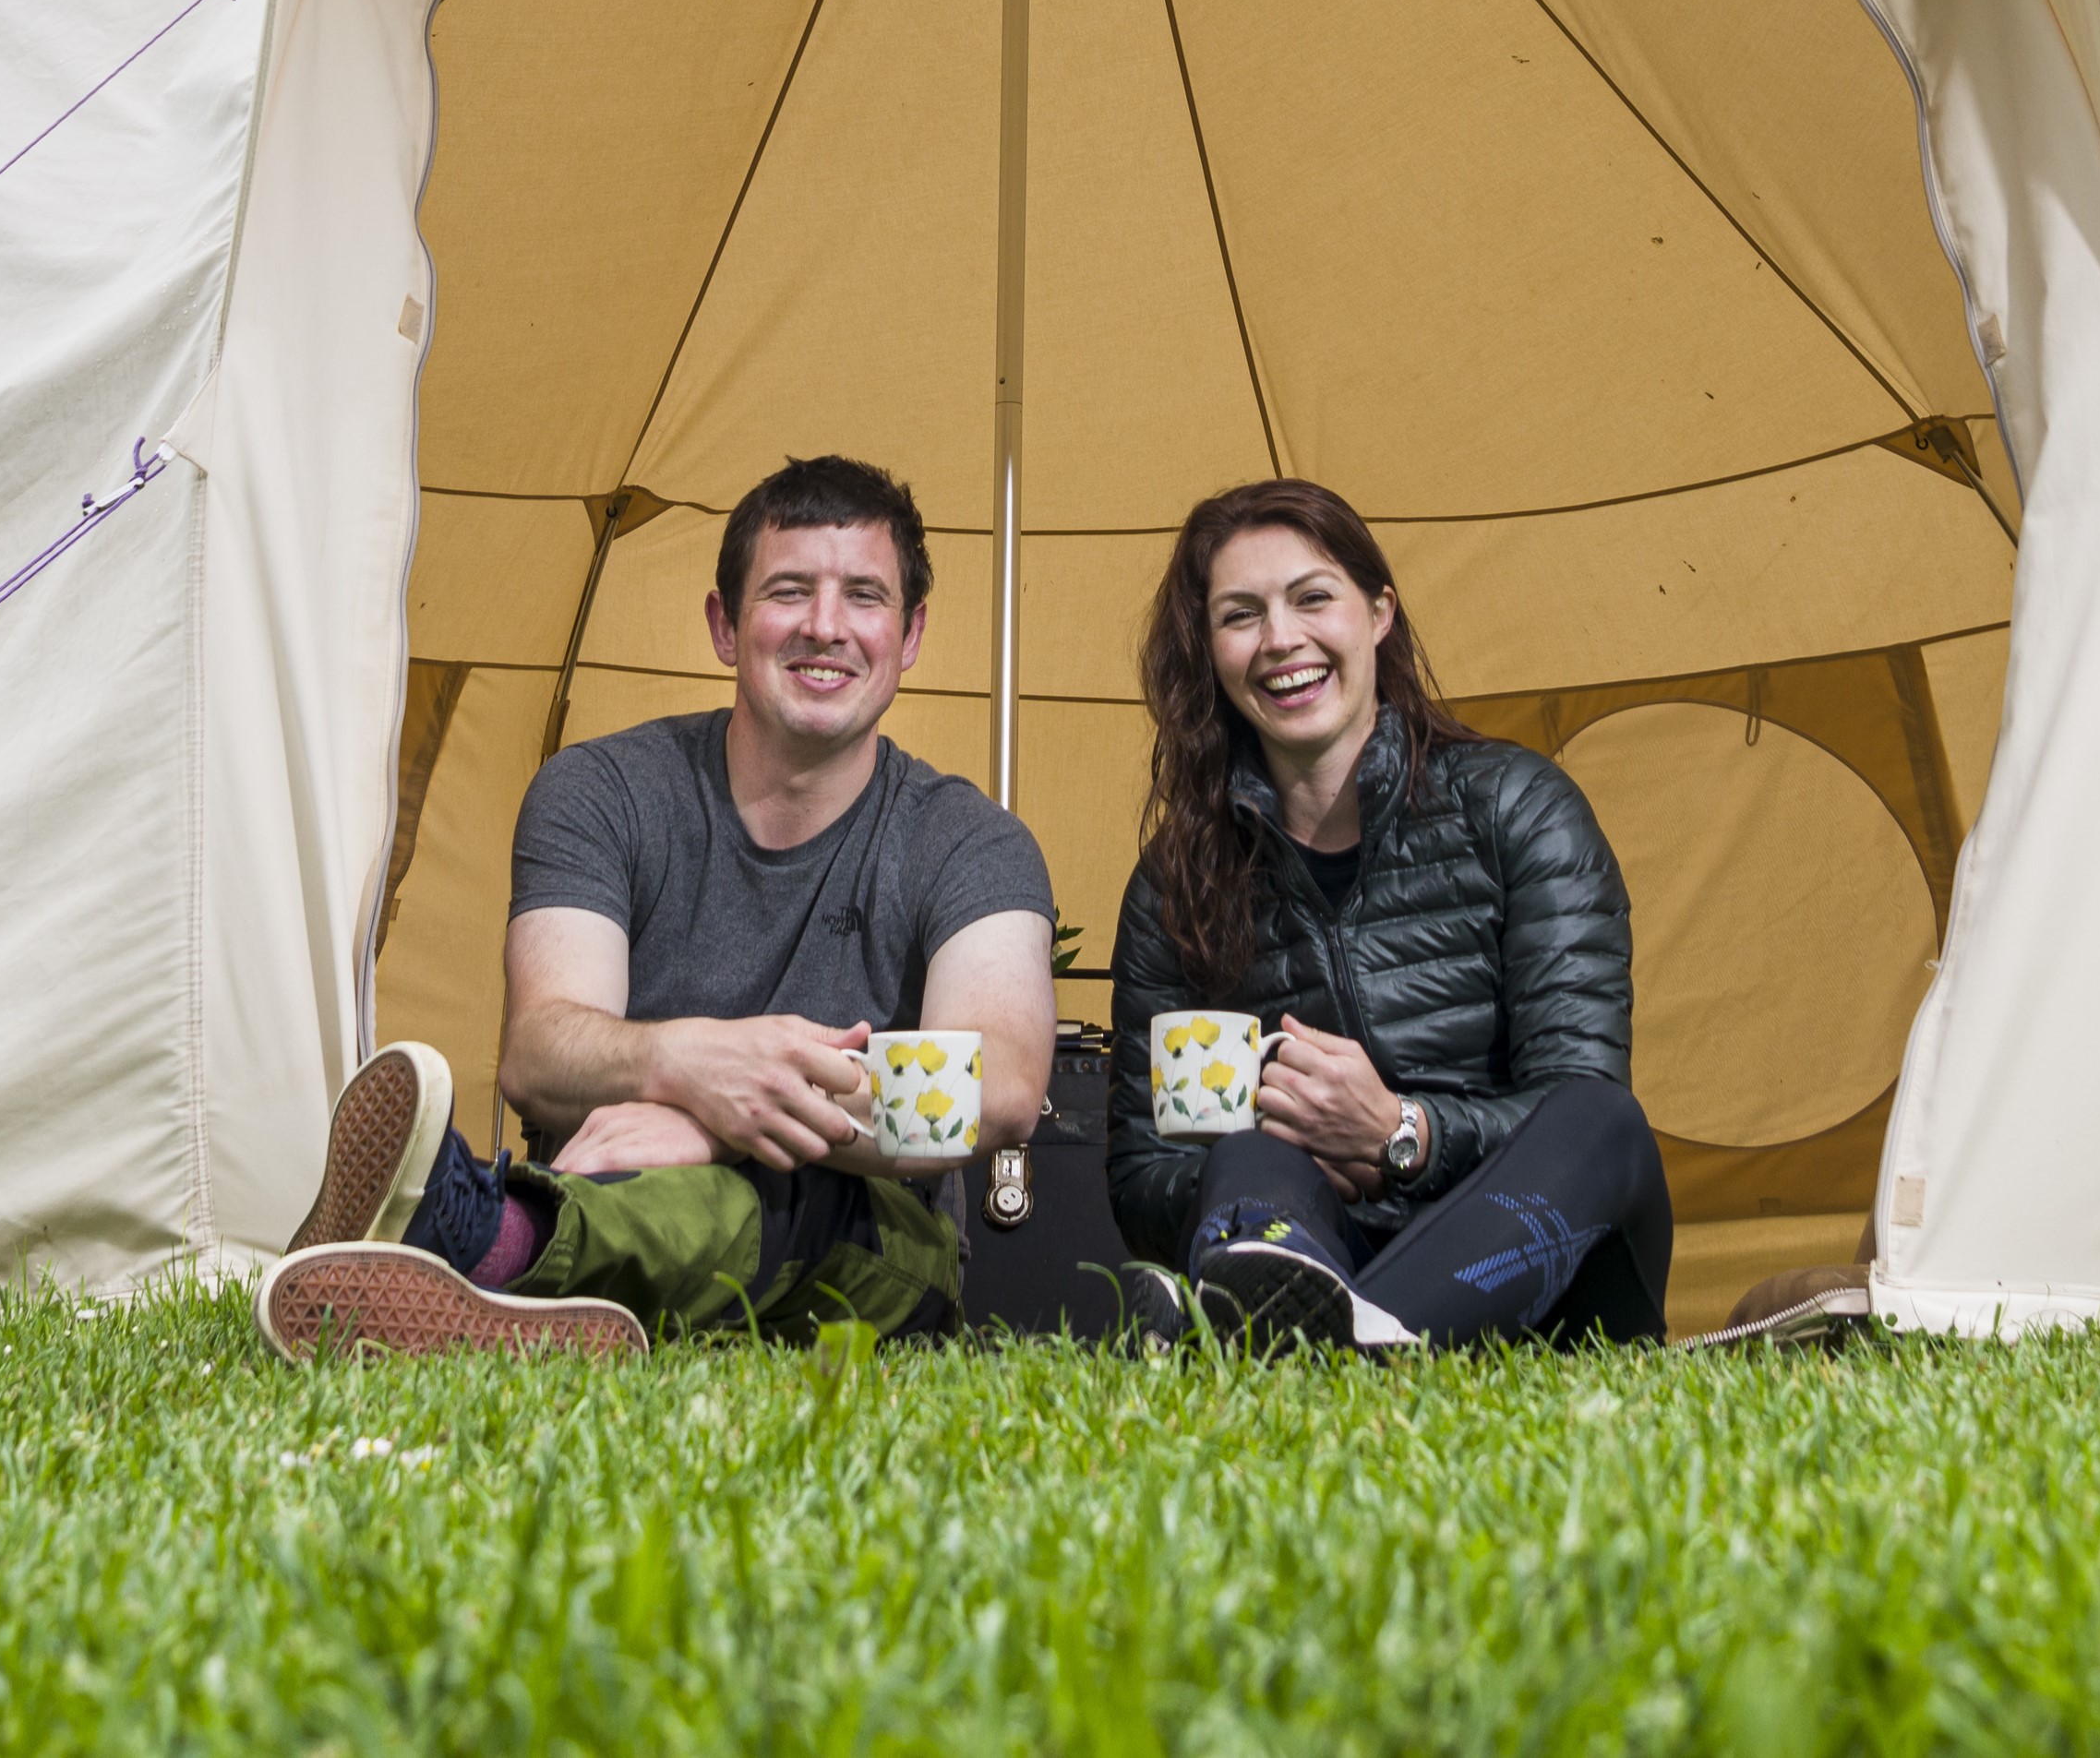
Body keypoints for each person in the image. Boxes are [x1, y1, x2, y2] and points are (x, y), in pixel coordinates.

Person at [261, 455, 1060, 1353]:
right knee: (674, 1190)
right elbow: (540, 1048)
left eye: (864, 597)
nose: (826, 626)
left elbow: (1000, 1085)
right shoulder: (601, 791)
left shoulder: (972, 841)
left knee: (802, 1192)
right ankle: (500, 1282)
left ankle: (483, 1241)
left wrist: (720, 1121)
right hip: (614, 1187)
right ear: (724, 625)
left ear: (910, 634)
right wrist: (692, 1062)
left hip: (868, 1247)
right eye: (789, 591)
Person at [1106, 478, 1672, 1349]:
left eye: (1312, 598)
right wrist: (1295, 1158)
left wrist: (1398, 1135)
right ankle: (1335, 1335)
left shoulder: (1518, 808)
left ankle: (1313, 1344)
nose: (1280, 639)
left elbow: (1579, 1110)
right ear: (1207, 651)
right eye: (1240, 615)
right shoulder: (1171, 885)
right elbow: (1143, 1174)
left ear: (1378, 614)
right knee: (1249, 1156)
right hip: (1324, 1251)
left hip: (1546, 1286)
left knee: (1602, 1120)